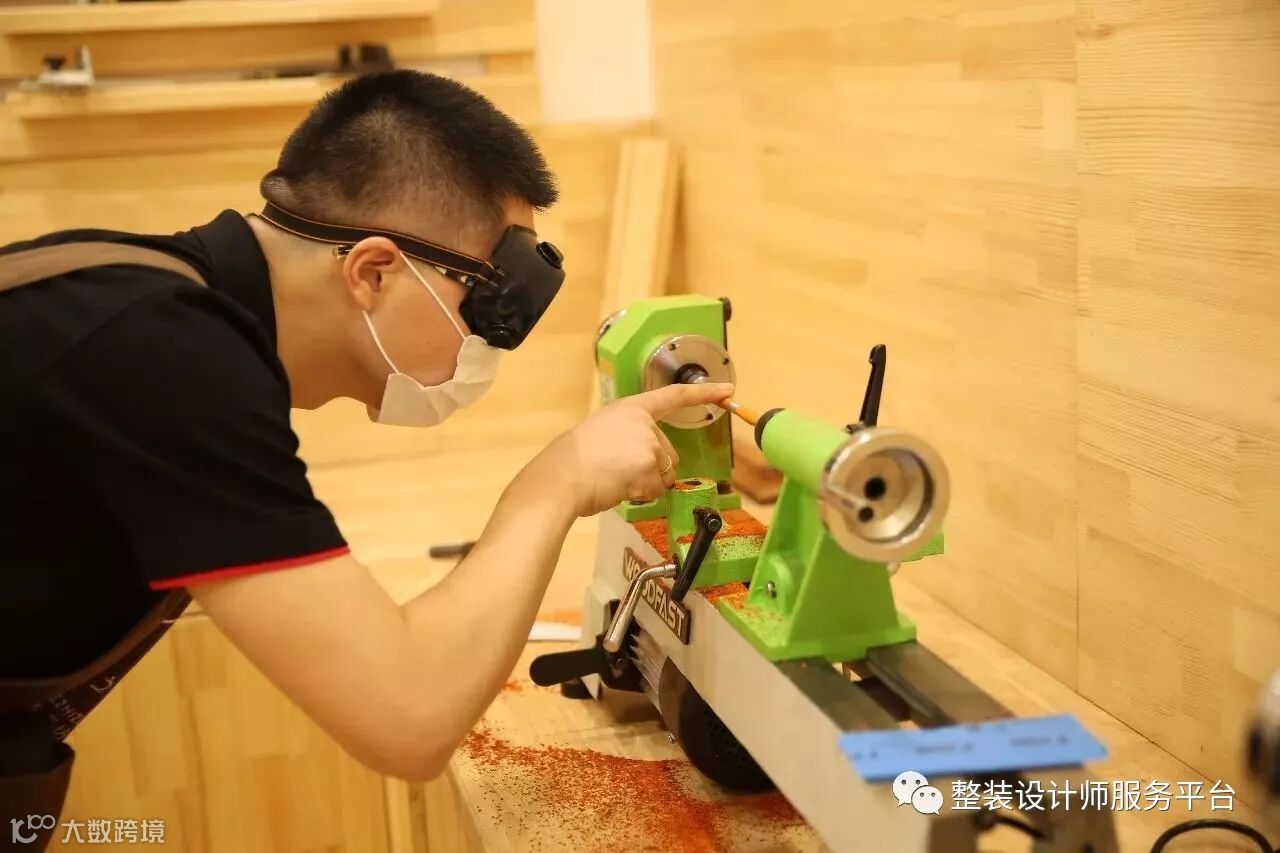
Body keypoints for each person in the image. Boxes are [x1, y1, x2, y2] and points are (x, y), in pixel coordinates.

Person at [0, 69, 732, 825]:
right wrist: (557, 481)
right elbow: (409, 716)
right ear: (374, 272)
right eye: (487, 307)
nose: (491, 345)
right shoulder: (170, 359)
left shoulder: (135, 298)